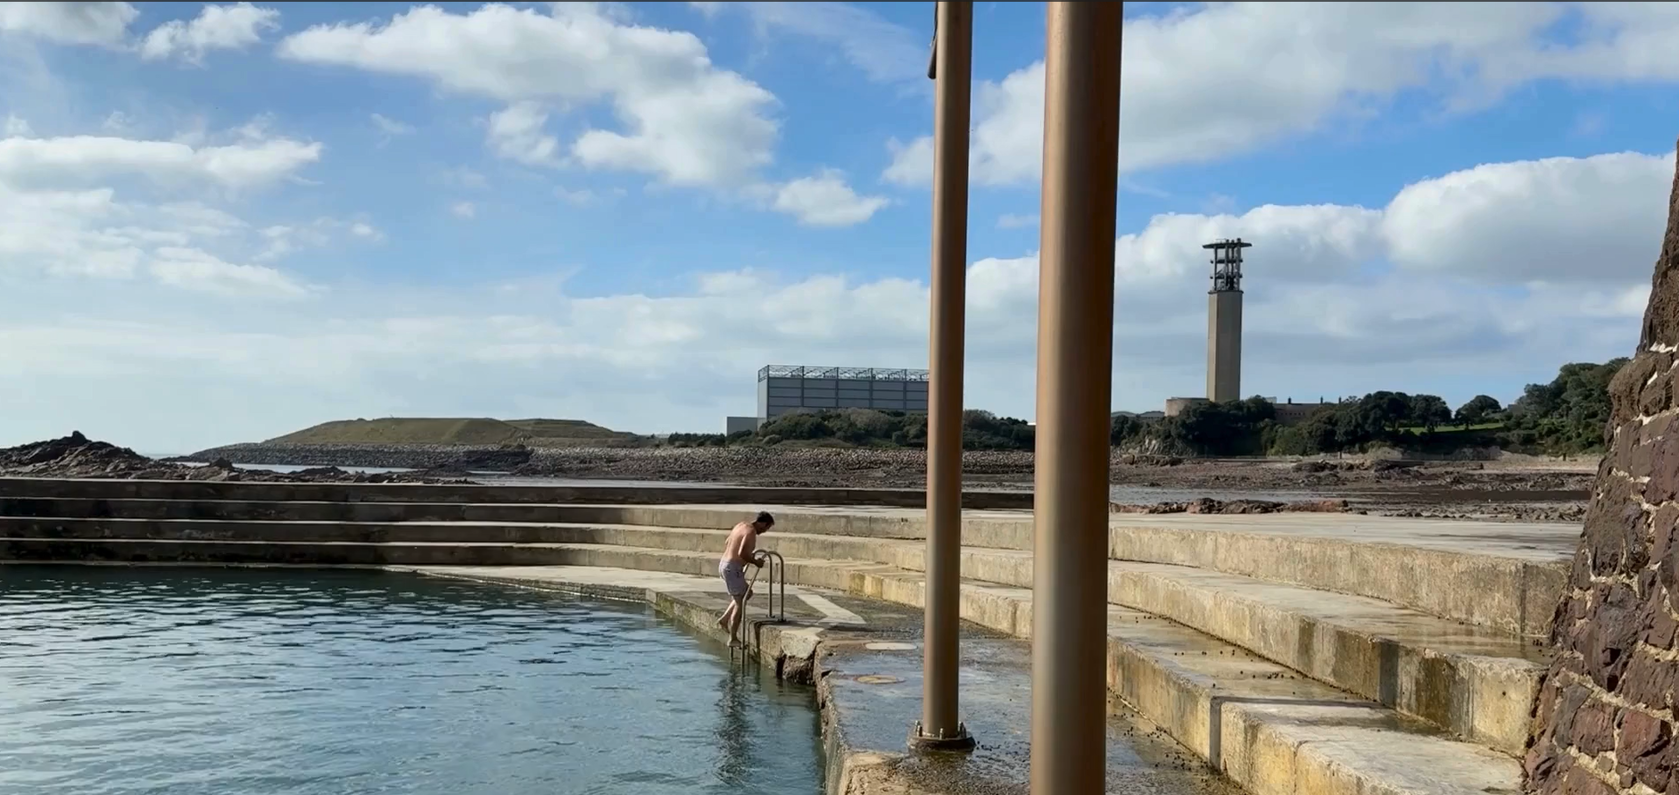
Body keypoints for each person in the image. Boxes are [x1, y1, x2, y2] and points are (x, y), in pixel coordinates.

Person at [716, 511, 774, 647]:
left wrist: (746, 557)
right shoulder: (751, 532)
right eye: (766, 528)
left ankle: (724, 620)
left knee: (747, 594)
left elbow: (728, 542)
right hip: (732, 568)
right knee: (739, 602)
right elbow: (742, 552)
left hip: (724, 564)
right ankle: (733, 638)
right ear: (763, 523)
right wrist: (755, 562)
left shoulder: (741, 525)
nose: (765, 531)